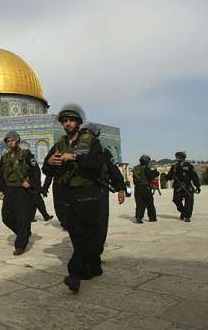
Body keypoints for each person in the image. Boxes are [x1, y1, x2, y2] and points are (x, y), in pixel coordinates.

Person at [43, 104, 104, 293]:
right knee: (76, 233)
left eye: (71, 120)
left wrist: (75, 157)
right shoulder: (59, 143)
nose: (68, 124)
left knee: (84, 233)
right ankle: (94, 266)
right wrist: (50, 162)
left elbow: (97, 164)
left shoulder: (91, 141)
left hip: (87, 193)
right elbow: (46, 169)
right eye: (65, 121)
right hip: (67, 194)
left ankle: (74, 274)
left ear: (78, 122)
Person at [80, 122, 126, 275]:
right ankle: (88, 258)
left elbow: (113, 170)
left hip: (99, 192)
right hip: (81, 192)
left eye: (88, 134)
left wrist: (120, 187)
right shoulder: (76, 151)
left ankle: (94, 257)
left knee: (99, 225)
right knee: (84, 227)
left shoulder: (103, 151)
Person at [0, 131, 39, 256]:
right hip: (9, 190)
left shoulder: (26, 155)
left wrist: (30, 183)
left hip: (22, 191)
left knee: (21, 218)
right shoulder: (4, 158)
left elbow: (35, 171)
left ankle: (20, 244)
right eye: (8, 141)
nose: (10, 143)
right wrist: (0, 189)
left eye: (12, 140)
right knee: (6, 217)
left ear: (17, 141)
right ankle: (24, 232)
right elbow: (1, 174)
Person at [166, 151, 201, 222]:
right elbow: (169, 177)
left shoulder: (189, 166)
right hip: (178, 187)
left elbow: (194, 176)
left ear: (183, 157)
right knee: (176, 200)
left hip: (188, 187)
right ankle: (183, 211)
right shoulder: (174, 167)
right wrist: (170, 176)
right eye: (177, 157)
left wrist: (197, 185)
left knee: (189, 202)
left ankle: (187, 216)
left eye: (179, 157)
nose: (177, 158)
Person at [132, 155, 159, 223]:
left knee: (139, 204)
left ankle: (138, 217)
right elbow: (151, 175)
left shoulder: (136, 168)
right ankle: (152, 218)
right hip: (145, 187)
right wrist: (156, 172)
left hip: (137, 188)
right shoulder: (145, 168)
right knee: (149, 203)